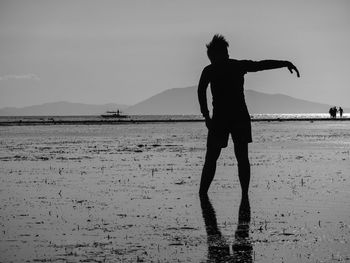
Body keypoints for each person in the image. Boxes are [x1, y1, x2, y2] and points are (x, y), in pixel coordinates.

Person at [198, 34, 300, 196]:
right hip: (233, 118)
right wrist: (284, 63)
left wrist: (206, 116)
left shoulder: (213, 69)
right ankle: (237, 195)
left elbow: (201, 91)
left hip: (225, 119)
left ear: (216, 54)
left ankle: (208, 194)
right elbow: (260, 65)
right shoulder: (229, 67)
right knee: (236, 158)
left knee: (216, 158)